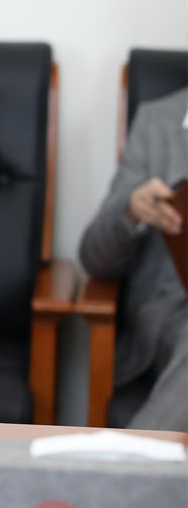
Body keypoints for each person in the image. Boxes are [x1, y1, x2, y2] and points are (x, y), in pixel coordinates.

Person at [79, 85, 187, 431]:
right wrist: (131, 211)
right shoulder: (158, 122)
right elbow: (94, 257)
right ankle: (129, 458)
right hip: (172, 313)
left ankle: (122, 460)